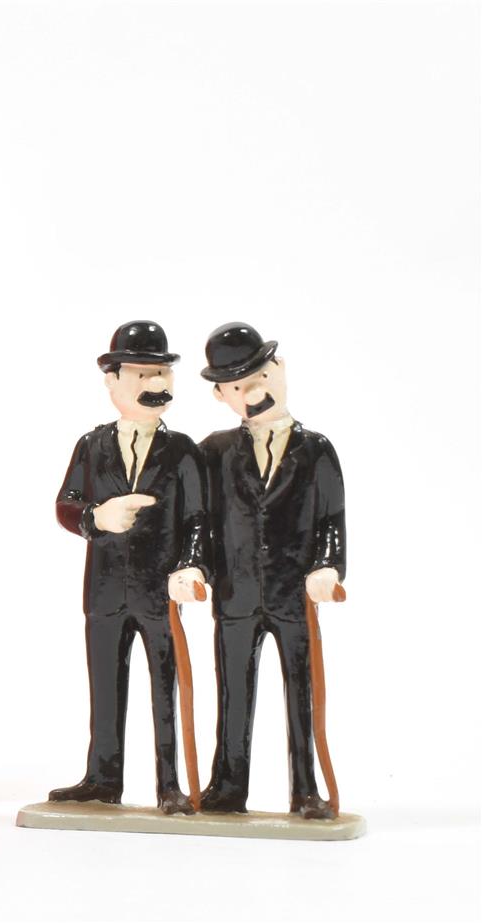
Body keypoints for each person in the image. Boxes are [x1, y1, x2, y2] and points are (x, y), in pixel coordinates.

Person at [49, 320, 209, 815]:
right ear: (113, 381)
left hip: (159, 591)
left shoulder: (183, 451)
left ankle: (169, 784)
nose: (154, 384)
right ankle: (102, 779)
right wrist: (96, 517)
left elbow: (199, 519)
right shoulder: (91, 445)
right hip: (104, 592)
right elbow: (66, 504)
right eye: (141, 374)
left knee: (165, 688)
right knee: (105, 688)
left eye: (161, 373)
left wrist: (191, 566)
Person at [195, 322, 346, 820]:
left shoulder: (316, 449)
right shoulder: (214, 452)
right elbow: (199, 520)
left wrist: (327, 566)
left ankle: (305, 789)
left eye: (260, 377)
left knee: (300, 694)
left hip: (292, 595)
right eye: (237, 386)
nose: (253, 393)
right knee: (232, 694)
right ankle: (227, 787)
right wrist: (193, 566)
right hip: (235, 595)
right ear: (221, 395)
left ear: (279, 369)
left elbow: (331, 520)